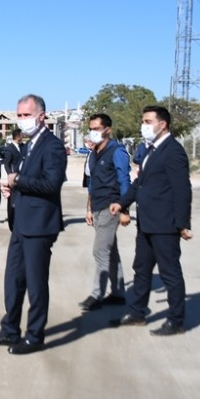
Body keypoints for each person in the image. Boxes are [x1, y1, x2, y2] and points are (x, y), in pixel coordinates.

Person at [0, 94, 67, 355]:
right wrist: (13, 189)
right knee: (13, 280)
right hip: (21, 222)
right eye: (19, 115)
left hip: (40, 225)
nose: (21, 120)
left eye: (26, 115)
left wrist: (18, 180)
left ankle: (34, 336)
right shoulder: (29, 146)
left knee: (36, 284)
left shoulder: (52, 146)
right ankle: (9, 329)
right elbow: (27, 180)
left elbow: (51, 184)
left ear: (41, 116)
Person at [109, 105, 193, 335]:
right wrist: (122, 203)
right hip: (146, 223)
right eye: (143, 121)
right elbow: (140, 183)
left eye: (148, 122)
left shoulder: (173, 151)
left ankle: (176, 321)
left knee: (170, 274)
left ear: (162, 124)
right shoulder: (150, 149)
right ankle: (137, 313)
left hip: (165, 225)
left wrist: (183, 224)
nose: (143, 126)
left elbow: (182, 190)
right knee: (142, 269)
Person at [79, 113, 131, 312]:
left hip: (111, 207)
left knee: (100, 251)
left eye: (97, 129)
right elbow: (92, 183)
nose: (93, 132)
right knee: (111, 251)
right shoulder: (94, 153)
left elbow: (124, 181)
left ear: (108, 130)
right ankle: (118, 293)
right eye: (91, 129)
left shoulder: (117, 151)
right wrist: (89, 208)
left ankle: (96, 294)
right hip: (97, 207)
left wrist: (124, 209)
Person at [1, 128, 25, 230]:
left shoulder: (23, 146)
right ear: (18, 136)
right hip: (14, 178)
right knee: (12, 201)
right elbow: (6, 164)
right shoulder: (9, 148)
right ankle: (12, 224)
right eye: (22, 135)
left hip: (23, 178)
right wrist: (11, 176)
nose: (23, 137)